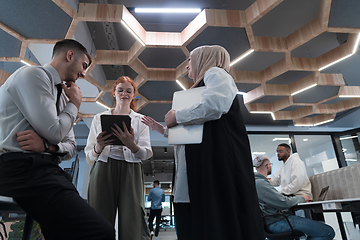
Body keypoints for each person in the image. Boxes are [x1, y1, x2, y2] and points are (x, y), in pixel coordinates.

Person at [142, 45, 264, 240]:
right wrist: (164, 130)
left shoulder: (215, 73)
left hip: (213, 161)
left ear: (204, 58)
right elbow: (195, 132)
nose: (187, 66)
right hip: (197, 163)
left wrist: (178, 116)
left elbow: (216, 105)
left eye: (190, 60)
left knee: (213, 218)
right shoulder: (202, 86)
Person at [0, 39, 115, 239]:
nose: (83, 74)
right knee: (101, 232)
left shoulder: (62, 96)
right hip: (20, 168)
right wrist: (75, 103)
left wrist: (47, 146)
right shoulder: (34, 75)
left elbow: (71, 147)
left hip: (47, 170)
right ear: (69, 55)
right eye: (83, 66)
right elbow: (55, 131)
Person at [85, 76, 153, 240]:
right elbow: (89, 156)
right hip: (103, 168)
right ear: (113, 93)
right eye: (120, 90)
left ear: (133, 95)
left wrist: (132, 145)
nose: (124, 93)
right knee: (98, 214)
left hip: (131, 170)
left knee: (133, 217)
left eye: (129, 91)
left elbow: (146, 154)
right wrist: (99, 147)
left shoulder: (140, 120)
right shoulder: (98, 118)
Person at [254, 155, 335, 239]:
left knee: (316, 229)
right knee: (327, 232)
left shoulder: (257, 182)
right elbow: (283, 203)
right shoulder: (261, 183)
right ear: (268, 165)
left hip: (271, 221)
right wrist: (303, 198)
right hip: (276, 222)